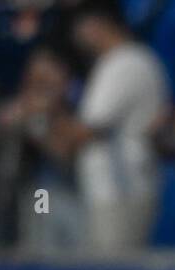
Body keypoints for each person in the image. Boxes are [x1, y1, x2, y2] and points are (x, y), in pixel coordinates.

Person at [66, 3, 168, 255]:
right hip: (113, 189)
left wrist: (42, 120)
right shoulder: (123, 60)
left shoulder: (125, 62)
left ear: (99, 24)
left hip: (121, 191)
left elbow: (88, 130)